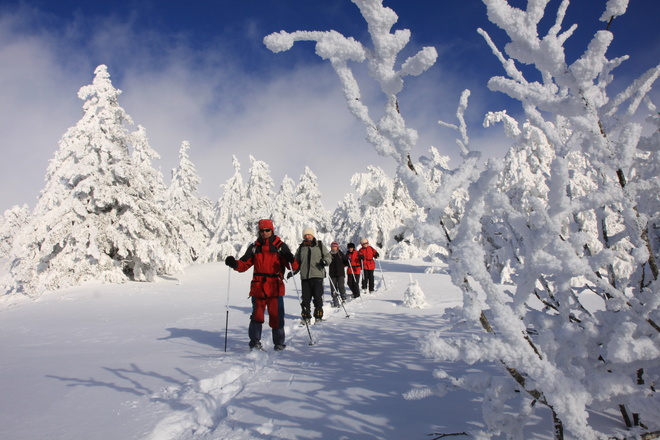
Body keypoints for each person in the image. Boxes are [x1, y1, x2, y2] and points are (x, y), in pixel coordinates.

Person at [225, 219, 297, 351]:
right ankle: (254, 343)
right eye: (262, 230)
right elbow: (244, 264)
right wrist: (234, 264)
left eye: (267, 230)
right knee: (257, 316)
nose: (264, 233)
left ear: (272, 230)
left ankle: (279, 343)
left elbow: (293, 266)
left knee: (276, 316)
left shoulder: (280, 246)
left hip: (275, 287)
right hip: (258, 287)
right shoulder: (254, 247)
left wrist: (291, 259)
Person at [291, 227, 332, 324]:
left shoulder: (320, 245)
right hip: (305, 276)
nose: (307, 236)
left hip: (317, 275)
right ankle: (306, 317)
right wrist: (294, 270)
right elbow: (297, 261)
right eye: (305, 235)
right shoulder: (301, 247)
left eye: (309, 234)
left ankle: (318, 316)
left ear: (312, 235)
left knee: (317, 297)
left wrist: (325, 262)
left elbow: (328, 256)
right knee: (305, 298)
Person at [328, 241, 348, 307]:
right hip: (332, 273)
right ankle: (335, 300)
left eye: (335, 246)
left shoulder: (340, 253)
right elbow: (326, 261)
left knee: (341, 286)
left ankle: (343, 297)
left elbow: (346, 261)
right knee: (333, 288)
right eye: (332, 246)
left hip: (340, 273)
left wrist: (348, 260)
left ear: (337, 247)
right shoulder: (329, 254)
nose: (333, 248)